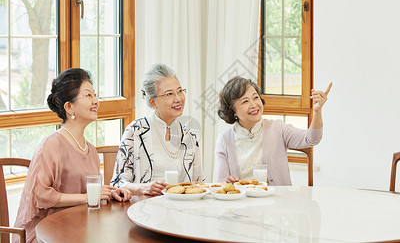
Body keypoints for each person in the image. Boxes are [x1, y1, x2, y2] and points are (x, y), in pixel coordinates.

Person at [14, 68, 131, 243]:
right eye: (88, 96)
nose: (96, 101)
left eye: (95, 95)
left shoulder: (90, 149)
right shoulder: (52, 145)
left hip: (78, 229)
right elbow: (40, 194)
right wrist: (88, 197)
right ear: (69, 107)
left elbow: (85, 190)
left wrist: (111, 192)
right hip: (46, 233)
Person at [215, 76, 332, 186]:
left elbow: (311, 139)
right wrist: (227, 182)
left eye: (255, 97)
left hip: (278, 202)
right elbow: (222, 181)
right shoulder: (224, 140)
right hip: (242, 203)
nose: (254, 105)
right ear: (232, 110)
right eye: (245, 101)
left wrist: (317, 112)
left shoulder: (278, 128)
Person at [110, 64, 204, 195]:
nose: (178, 99)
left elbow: (198, 182)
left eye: (180, 91)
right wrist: (144, 188)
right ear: (153, 102)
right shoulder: (136, 131)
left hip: (181, 208)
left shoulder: (190, 136)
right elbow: (117, 183)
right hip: (142, 208)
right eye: (169, 94)